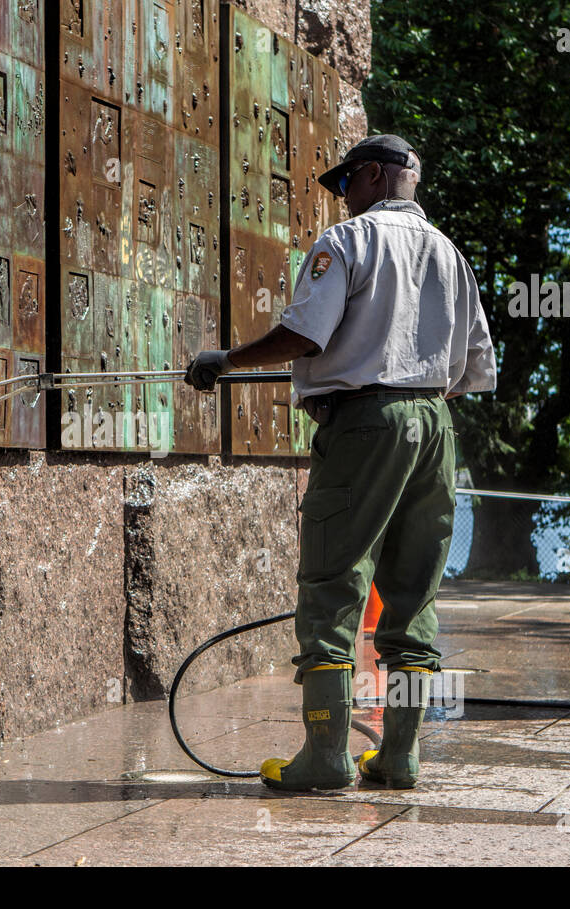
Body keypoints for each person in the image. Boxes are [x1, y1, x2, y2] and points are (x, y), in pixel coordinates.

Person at [185, 134, 497, 791]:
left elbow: (305, 334)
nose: (341, 196)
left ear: (374, 174)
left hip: (363, 426)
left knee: (332, 585)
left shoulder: (349, 242)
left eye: (345, 182)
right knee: (413, 602)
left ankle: (325, 759)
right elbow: (473, 370)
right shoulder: (450, 254)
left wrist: (228, 361)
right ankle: (400, 756)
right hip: (435, 428)